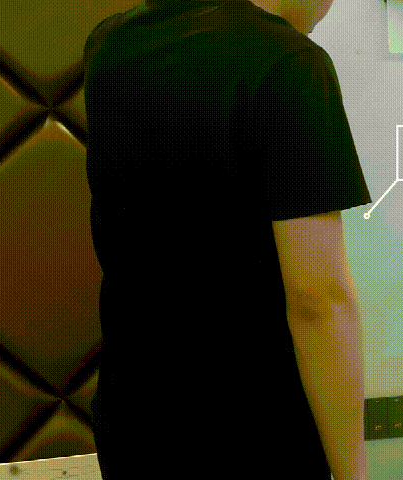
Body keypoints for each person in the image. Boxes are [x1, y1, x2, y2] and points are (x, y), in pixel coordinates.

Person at [83, 0, 370, 478]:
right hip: (251, 434)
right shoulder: (290, 63)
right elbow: (318, 301)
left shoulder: (110, 42)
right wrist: (354, 474)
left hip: (133, 420)